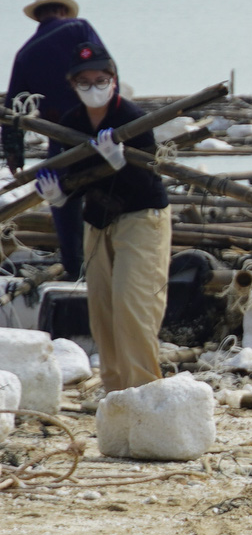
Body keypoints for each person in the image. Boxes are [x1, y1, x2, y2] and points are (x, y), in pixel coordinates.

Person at [29, 41, 172, 391]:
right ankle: (116, 392)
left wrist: (121, 161)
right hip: (98, 221)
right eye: (85, 81)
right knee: (103, 311)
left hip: (141, 216)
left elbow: (148, 178)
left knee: (133, 306)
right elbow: (77, 179)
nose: (94, 87)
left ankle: (145, 391)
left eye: (100, 79)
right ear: (74, 85)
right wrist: (60, 196)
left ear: (113, 79)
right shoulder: (73, 122)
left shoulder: (133, 119)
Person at [6, 0, 102, 278]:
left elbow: (14, 109)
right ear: (62, 10)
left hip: (58, 135)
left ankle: (76, 269)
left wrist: (14, 153)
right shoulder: (79, 28)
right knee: (106, 191)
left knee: (63, 202)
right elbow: (104, 69)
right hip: (94, 127)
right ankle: (106, 264)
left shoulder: (26, 53)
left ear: (39, 16)